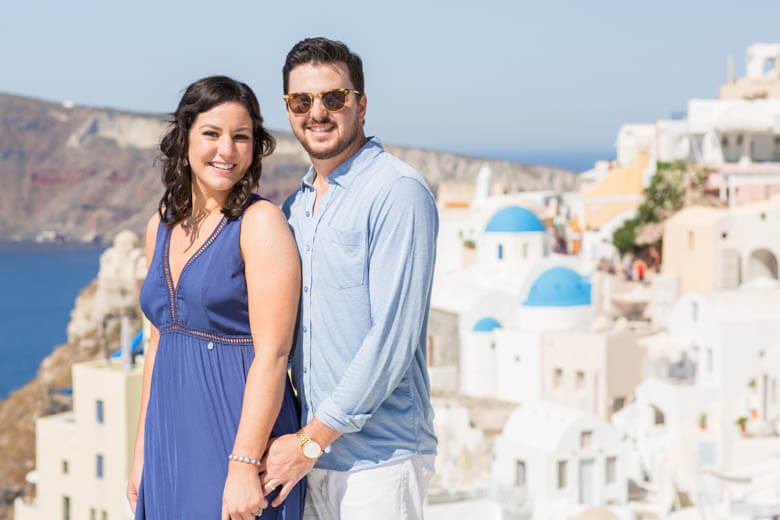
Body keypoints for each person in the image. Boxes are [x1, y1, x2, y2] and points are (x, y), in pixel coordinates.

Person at [262, 37, 438, 520]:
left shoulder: (396, 192)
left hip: (379, 463)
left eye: (333, 98)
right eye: (301, 101)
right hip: (311, 461)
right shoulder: (295, 207)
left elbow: (391, 341)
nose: (317, 112)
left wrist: (311, 441)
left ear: (360, 104)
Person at [127, 76, 304, 520]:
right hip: (171, 437)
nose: (227, 150)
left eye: (241, 137)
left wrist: (244, 463)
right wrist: (141, 453)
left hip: (235, 436)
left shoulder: (259, 223)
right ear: (184, 136)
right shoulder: (160, 226)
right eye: (212, 133)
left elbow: (274, 352)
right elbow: (156, 345)